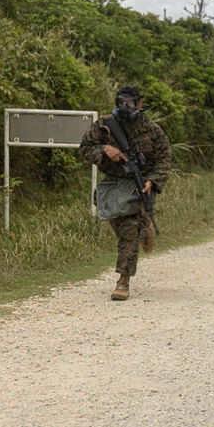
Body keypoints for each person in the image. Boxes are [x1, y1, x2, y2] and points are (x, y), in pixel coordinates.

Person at [80, 86, 172, 301]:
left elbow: (164, 160)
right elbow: (84, 147)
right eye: (120, 102)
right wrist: (104, 150)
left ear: (139, 104)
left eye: (129, 102)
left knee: (129, 231)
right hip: (112, 184)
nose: (124, 107)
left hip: (138, 185)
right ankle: (144, 229)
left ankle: (123, 281)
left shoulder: (152, 131)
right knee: (119, 226)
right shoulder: (105, 125)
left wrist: (152, 181)